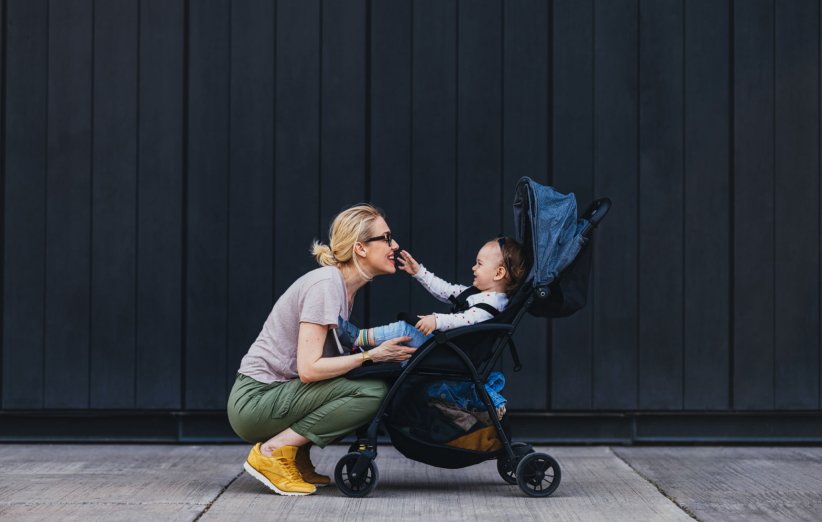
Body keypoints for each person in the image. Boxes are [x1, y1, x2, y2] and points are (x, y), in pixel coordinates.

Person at [227, 204, 416, 496]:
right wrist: (371, 356)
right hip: (255, 400)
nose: (395, 245)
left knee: (370, 384)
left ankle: (294, 454)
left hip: (273, 396)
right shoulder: (326, 285)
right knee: (371, 392)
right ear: (360, 248)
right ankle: (273, 452)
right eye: (387, 238)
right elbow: (310, 368)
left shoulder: (342, 289)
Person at [338, 236, 526, 349]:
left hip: (450, 350)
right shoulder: (477, 293)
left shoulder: (491, 306)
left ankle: (357, 337)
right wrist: (419, 272)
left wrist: (437, 320)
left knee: (405, 329)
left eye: (479, 264)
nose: (473, 268)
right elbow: (446, 290)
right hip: (446, 346)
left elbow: (464, 320)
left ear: (499, 273)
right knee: (402, 344)